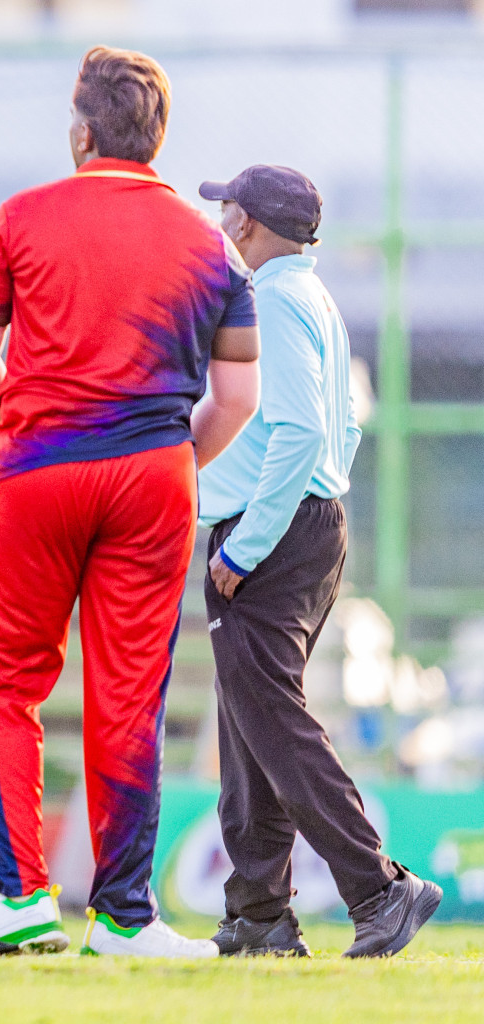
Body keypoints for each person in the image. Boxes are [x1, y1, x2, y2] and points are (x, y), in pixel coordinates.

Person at [0, 46, 262, 959]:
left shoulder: (20, 218)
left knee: (5, 682)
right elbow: (237, 399)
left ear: (81, 130)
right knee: (129, 695)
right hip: (154, 477)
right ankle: (124, 916)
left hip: (36, 467)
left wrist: (30, 421)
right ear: (157, 137)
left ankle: (23, 894)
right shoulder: (212, 243)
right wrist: (166, 457)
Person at [198, 165, 442, 958]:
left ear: (251, 223)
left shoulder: (272, 297)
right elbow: (342, 423)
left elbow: (301, 433)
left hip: (269, 535)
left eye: (229, 204)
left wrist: (246, 543)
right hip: (307, 525)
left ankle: (380, 888)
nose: (222, 216)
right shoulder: (311, 295)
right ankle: (260, 913)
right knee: (252, 727)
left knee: (274, 722)